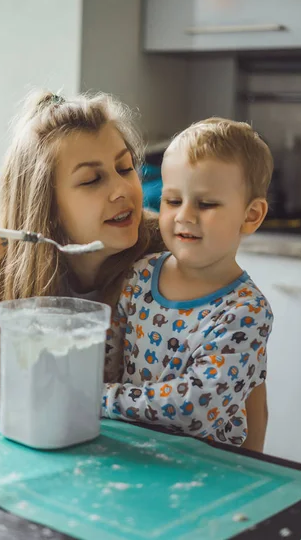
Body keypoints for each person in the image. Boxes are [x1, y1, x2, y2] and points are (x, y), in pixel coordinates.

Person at [0, 96, 268, 450]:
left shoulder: (174, 259)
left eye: (124, 167)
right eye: (91, 180)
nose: (122, 190)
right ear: (48, 207)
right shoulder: (17, 269)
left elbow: (248, 400)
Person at [102, 118, 274, 448]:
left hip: (207, 470)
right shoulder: (138, 275)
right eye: (173, 200)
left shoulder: (246, 312)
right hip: (133, 452)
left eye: (206, 203)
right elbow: (108, 360)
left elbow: (196, 407)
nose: (185, 216)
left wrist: (104, 400)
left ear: (250, 215)